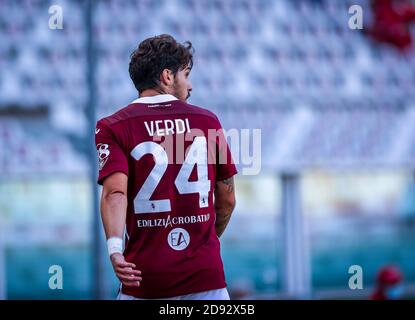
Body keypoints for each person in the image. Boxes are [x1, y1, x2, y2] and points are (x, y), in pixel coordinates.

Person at [95, 34, 237, 300]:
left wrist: (115, 249)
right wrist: (203, 241)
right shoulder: (208, 121)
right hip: (206, 280)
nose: (191, 85)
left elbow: (115, 194)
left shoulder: (112, 126)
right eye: (186, 74)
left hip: (144, 279)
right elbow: (227, 199)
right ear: (167, 77)